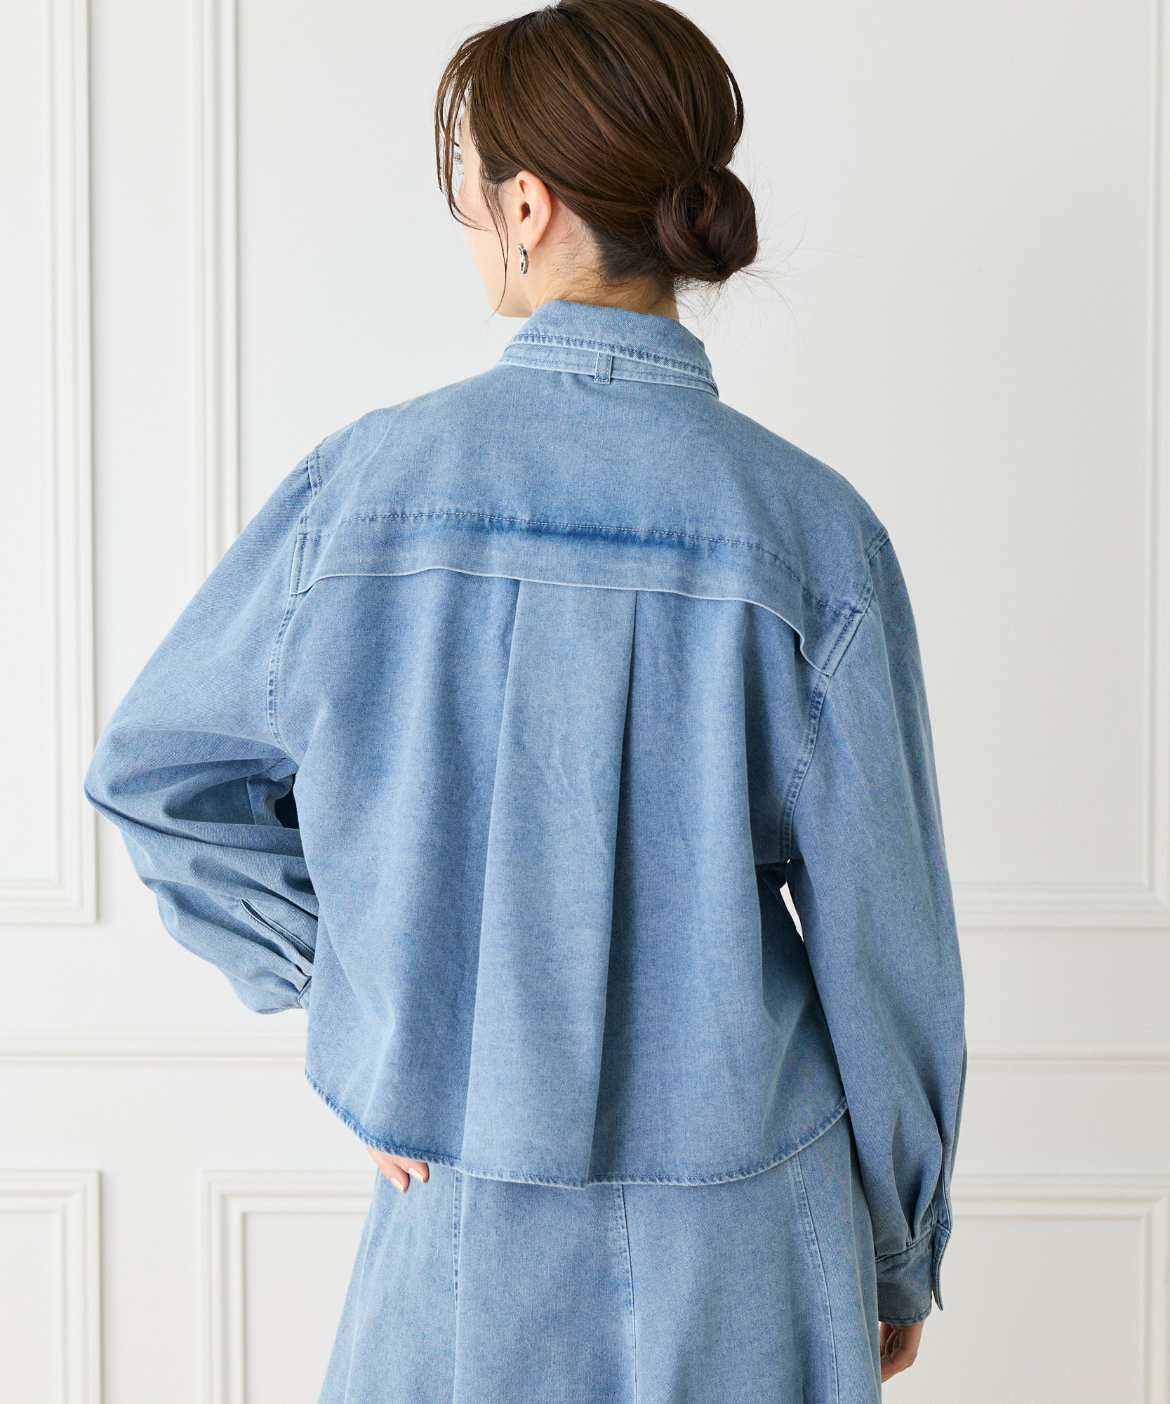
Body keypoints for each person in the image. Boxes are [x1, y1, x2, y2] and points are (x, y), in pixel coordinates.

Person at [84, 1, 967, 1399]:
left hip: (457, 1204)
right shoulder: (811, 528)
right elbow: (884, 941)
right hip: (750, 1215)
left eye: (466, 188)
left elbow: (158, 779)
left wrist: (363, 1004)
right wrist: (900, 1245)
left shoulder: (363, 490)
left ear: (525, 204)